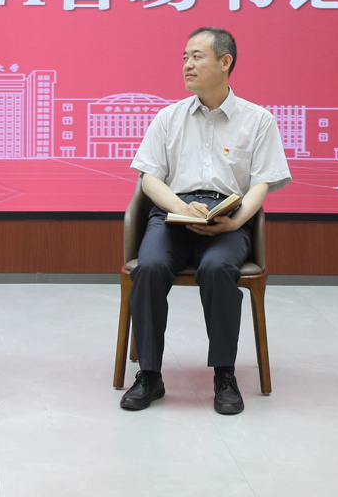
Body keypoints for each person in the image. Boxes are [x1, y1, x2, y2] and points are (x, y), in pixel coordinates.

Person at [121, 27, 291, 414]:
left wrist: (236, 222)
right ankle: (149, 374)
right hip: (173, 214)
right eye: (185, 57)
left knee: (218, 269)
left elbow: (262, 183)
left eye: (197, 56)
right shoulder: (168, 117)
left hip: (226, 218)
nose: (187, 64)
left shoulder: (258, 120)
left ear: (225, 62)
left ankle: (224, 375)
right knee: (149, 267)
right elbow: (149, 179)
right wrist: (179, 208)